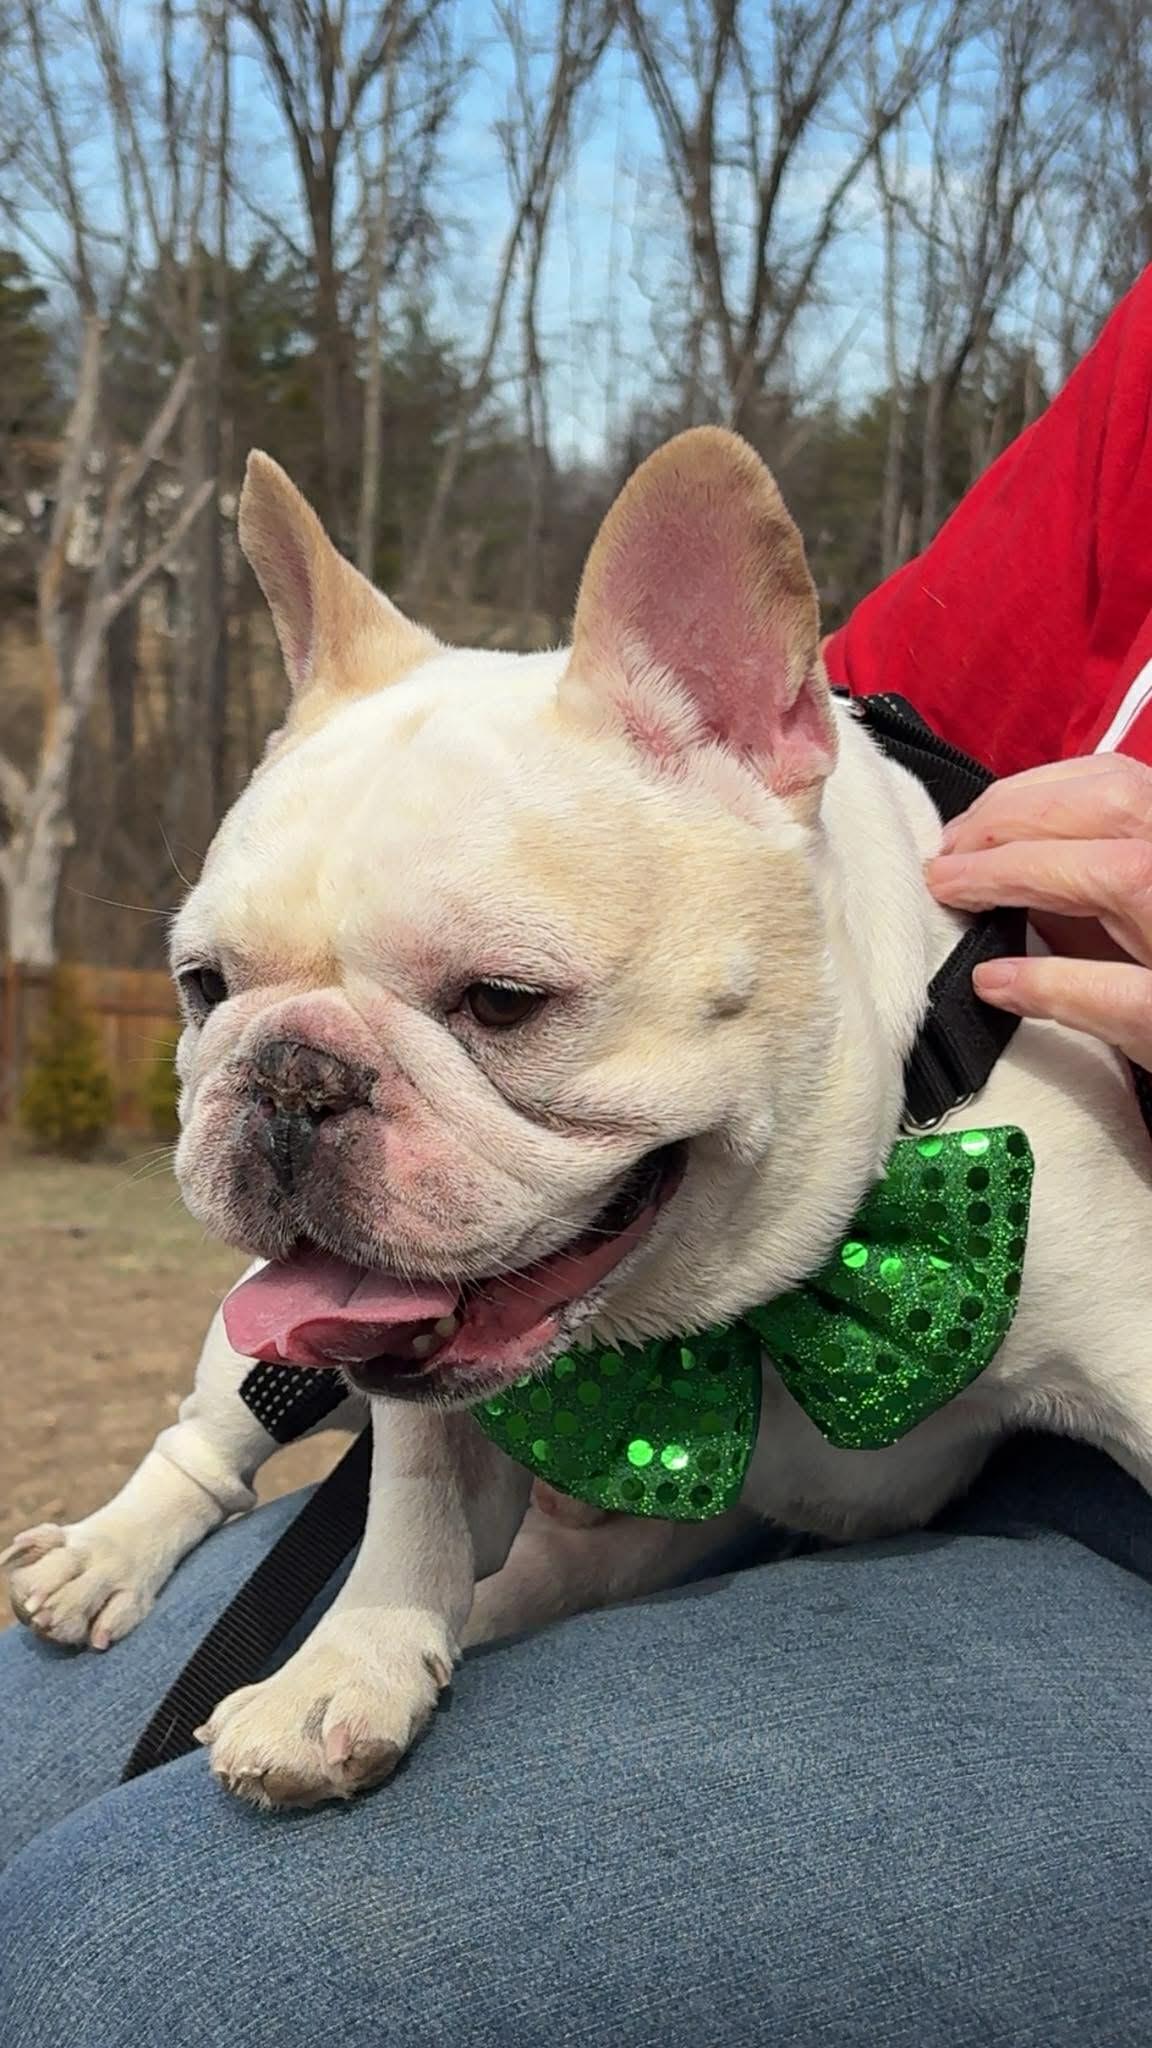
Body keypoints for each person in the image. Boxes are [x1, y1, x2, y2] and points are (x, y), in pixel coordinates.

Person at [5, 274, 1152, 2048]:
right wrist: (400, 1583)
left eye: (505, 999)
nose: (293, 1096)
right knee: (22, 1752)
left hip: (1080, 1544)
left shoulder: (1024, 1108)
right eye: (217, 988)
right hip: (657, 1481)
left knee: (164, 1964)